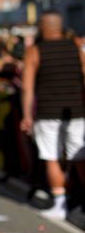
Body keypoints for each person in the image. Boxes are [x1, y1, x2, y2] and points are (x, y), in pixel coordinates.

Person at [21, 11, 85, 220]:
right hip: (77, 110)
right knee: (80, 157)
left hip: (48, 111)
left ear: (43, 26)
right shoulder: (76, 46)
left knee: (52, 157)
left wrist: (26, 115)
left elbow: (27, 88)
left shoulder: (35, 51)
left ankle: (59, 204)